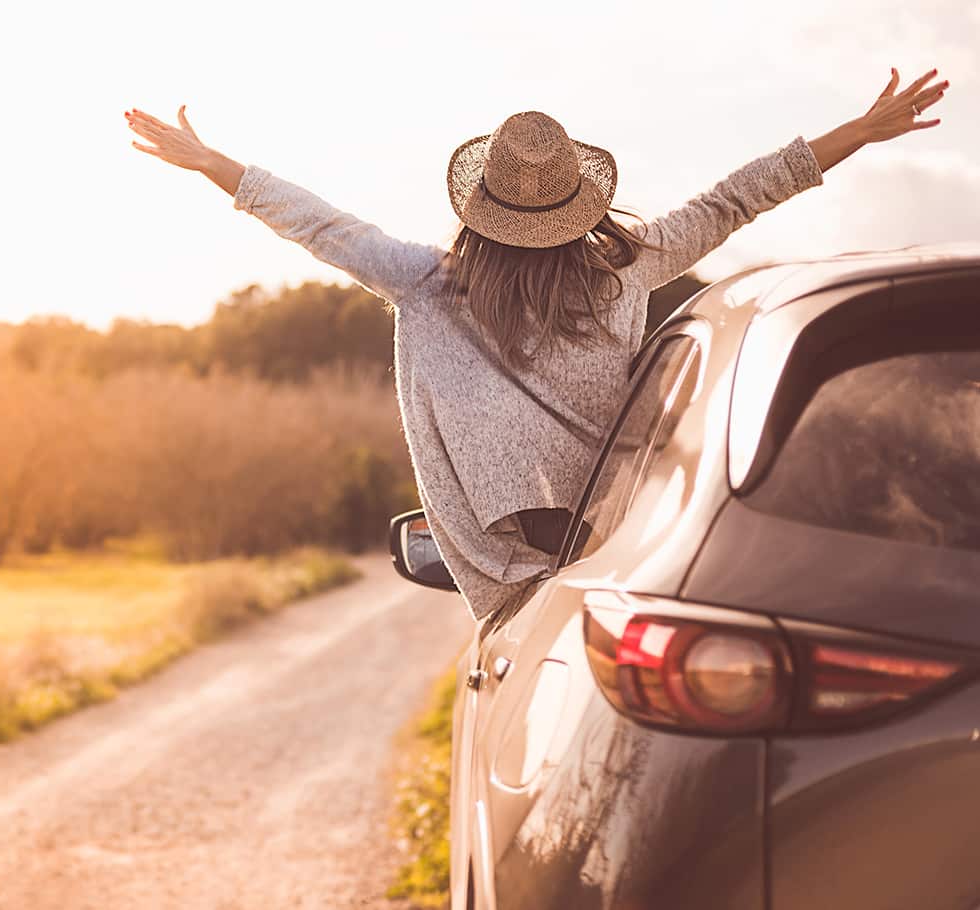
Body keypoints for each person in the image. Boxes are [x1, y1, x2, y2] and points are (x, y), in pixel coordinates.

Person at [124, 68, 949, 621]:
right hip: (632, 559)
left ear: (481, 206)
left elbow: (322, 226)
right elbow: (740, 197)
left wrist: (213, 165)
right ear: (578, 205)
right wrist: (858, 131)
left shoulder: (426, 284)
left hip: (522, 584)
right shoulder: (629, 270)